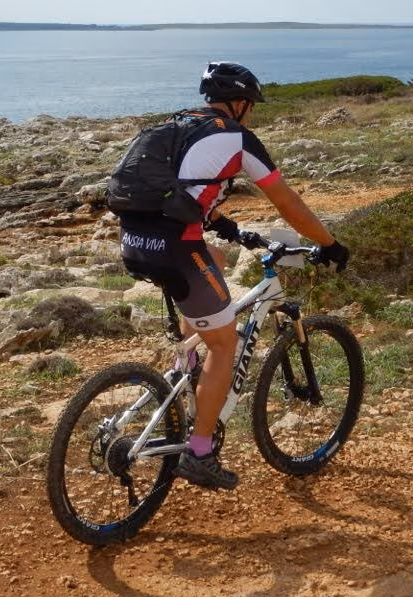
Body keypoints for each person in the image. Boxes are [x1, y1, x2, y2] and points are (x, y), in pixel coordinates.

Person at [117, 61, 349, 491]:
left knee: (217, 261)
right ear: (240, 104)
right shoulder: (238, 139)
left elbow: (179, 191)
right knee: (227, 344)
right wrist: (330, 244)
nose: (253, 113)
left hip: (133, 241)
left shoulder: (177, 125)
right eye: (252, 106)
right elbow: (287, 202)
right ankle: (200, 452)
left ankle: (187, 366)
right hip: (174, 249)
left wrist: (224, 226)